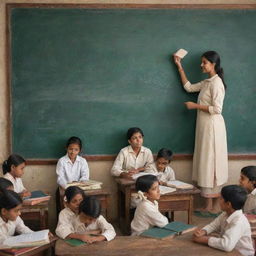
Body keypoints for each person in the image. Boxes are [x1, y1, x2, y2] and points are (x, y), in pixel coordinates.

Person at [173, 51, 228, 213]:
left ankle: (212, 206)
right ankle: (209, 205)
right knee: (207, 161)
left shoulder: (217, 83)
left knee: (212, 162)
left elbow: (217, 109)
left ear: (213, 64)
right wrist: (179, 66)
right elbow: (189, 87)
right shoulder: (207, 82)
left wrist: (195, 106)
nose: (201, 65)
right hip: (205, 127)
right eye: (202, 62)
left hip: (213, 127)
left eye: (204, 62)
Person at [193, 185, 254, 256]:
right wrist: (204, 231)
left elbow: (226, 245)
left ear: (228, 204)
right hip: (230, 251)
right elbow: (213, 225)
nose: (219, 200)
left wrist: (204, 239)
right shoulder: (226, 213)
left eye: (221, 198)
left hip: (242, 254)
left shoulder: (239, 222)